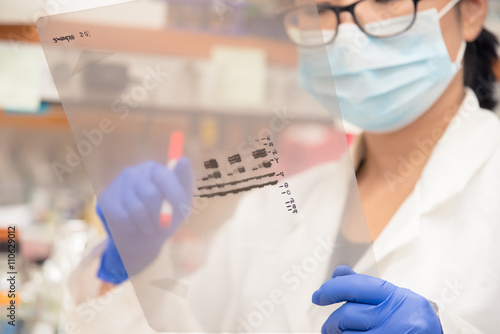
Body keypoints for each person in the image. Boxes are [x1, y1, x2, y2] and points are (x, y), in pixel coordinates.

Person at [64, 0, 500, 333]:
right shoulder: (273, 207)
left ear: (471, 12)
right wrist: (132, 274)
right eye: (321, 9)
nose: (345, 33)